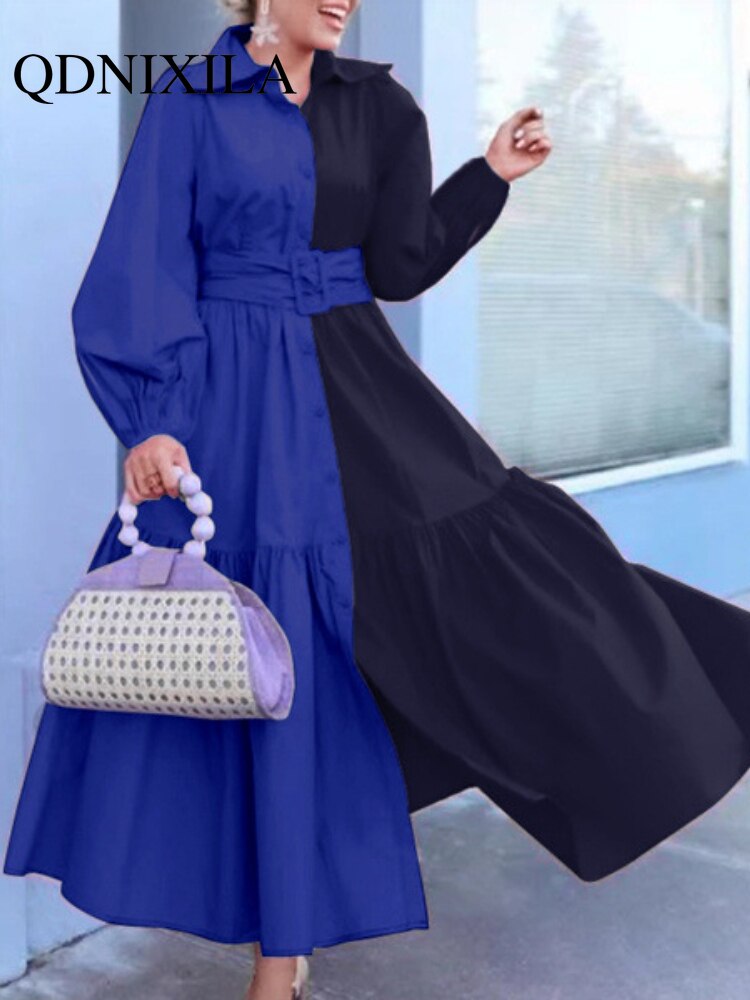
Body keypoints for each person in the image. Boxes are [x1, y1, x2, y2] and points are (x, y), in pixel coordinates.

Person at [5, 2, 750, 999]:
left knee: (504, 570)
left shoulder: (383, 108)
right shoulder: (194, 101)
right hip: (228, 405)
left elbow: (399, 266)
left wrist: (488, 177)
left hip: (355, 386)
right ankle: (281, 956)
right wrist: (147, 420)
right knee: (243, 656)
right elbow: (143, 263)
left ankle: (704, 681)